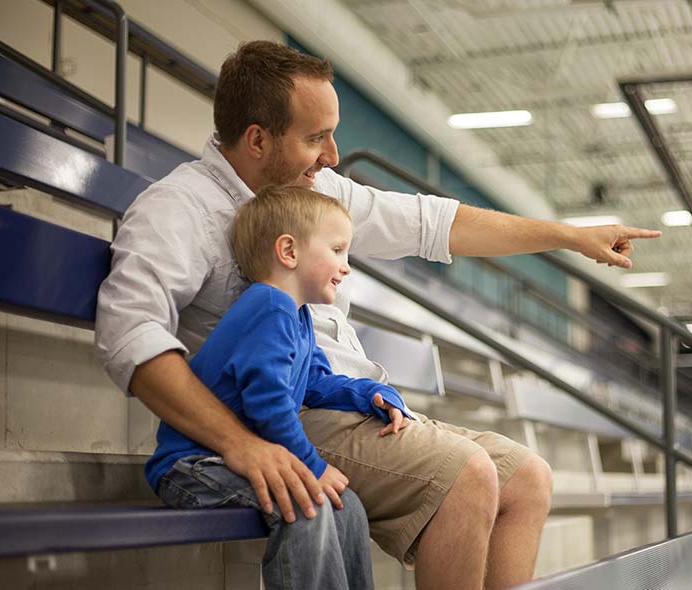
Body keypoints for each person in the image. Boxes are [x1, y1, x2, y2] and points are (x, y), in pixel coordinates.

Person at [95, 40, 661, 590]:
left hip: (342, 396)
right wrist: (242, 444)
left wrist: (568, 236)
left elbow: (433, 224)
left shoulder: (313, 188)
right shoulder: (178, 209)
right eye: (317, 137)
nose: (334, 155)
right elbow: (130, 331)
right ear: (258, 139)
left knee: (528, 478)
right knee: (469, 473)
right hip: (277, 415)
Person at [147, 187, 413, 590]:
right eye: (338, 250)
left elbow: (317, 383)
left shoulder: (298, 316)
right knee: (311, 503)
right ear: (288, 251)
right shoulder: (268, 307)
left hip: (230, 464)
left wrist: (370, 395)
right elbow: (267, 405)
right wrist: (313, 465)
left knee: (348, 507)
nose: (346, 267)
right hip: (191, 467)